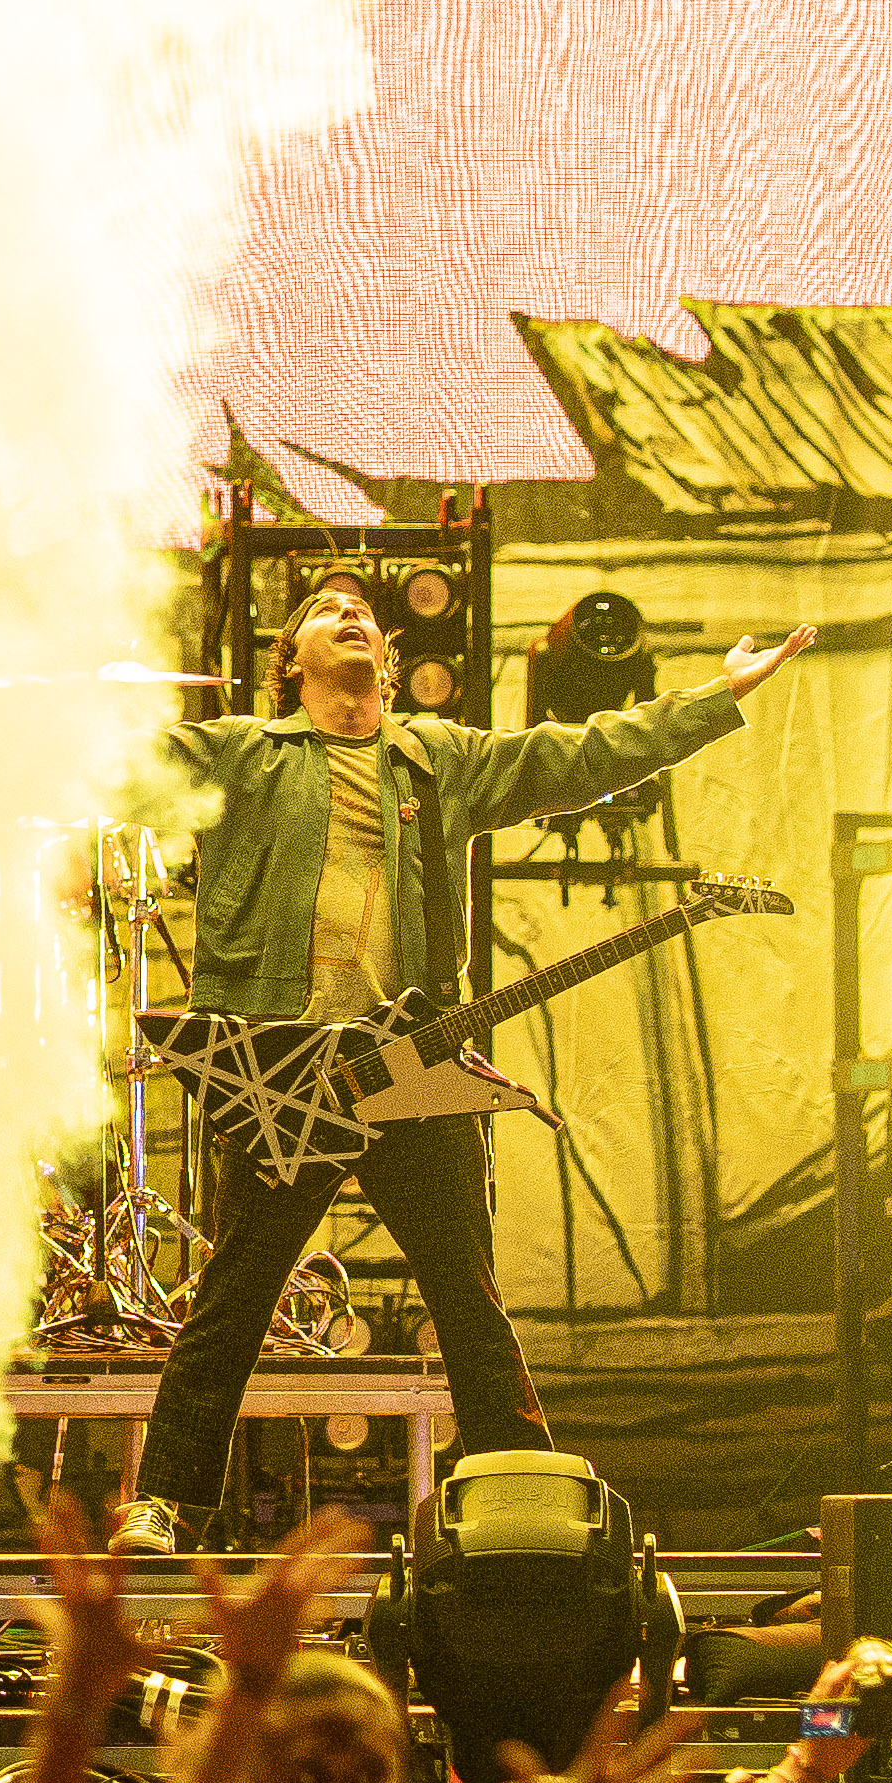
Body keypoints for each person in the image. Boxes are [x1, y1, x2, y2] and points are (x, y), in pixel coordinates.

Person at [119, 580, 800, 1548]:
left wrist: (712, 696)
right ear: (290, 659)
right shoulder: (236, 755)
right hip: (278, 1071)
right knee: (230, 1305)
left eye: (366, 615)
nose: (351, 616)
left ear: (392, 664)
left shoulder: (445, 759)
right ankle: (167, 1501)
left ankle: (522, 1502)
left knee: (471, 1309)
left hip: (411, 1067)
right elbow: (101, 768)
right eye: (326, 611)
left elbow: (586, 756)